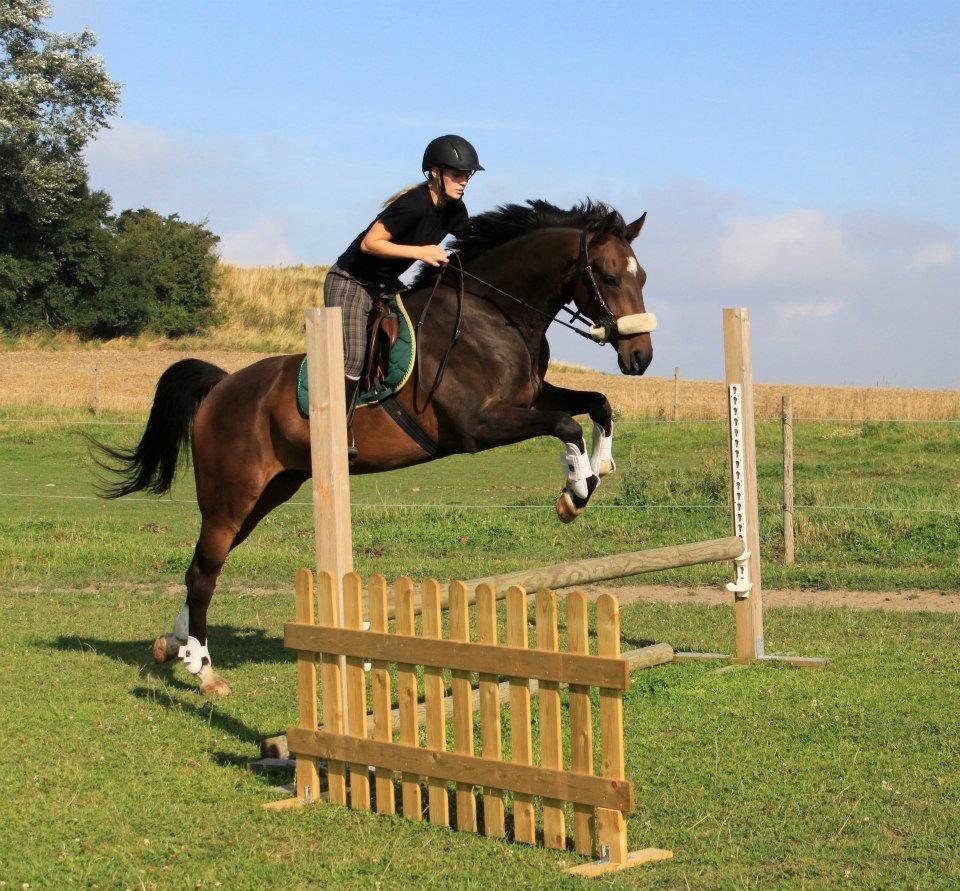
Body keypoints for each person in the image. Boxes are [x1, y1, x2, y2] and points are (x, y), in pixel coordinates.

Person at [323, 134, 483, 460]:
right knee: (353, 356)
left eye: (468, 175)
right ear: (435, 173)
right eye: (457, 174)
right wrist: (421, 252)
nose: (464, 182)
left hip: (384, 286)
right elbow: (371, 244)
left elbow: (474, 245)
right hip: (351, 282)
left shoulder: (455, 210)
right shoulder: (413, 204)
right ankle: (337, 431)